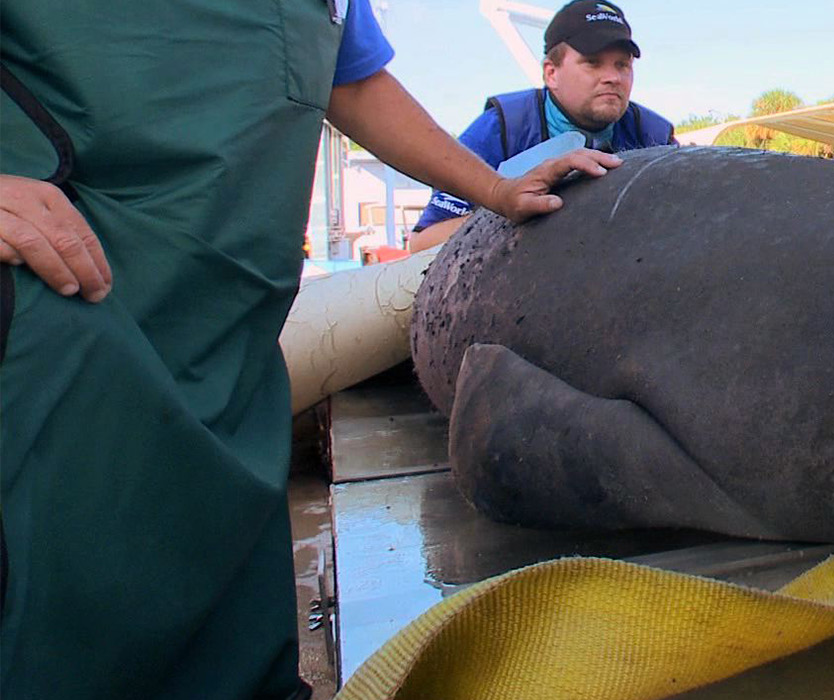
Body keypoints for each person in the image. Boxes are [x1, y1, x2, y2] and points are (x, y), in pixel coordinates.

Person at [0, 0, 619, 696]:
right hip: (50, 335)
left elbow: (350, 84)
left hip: (230, 372)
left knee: (223, 646)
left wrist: (498, 191)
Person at [407, 0, 676, 251]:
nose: (613, 78)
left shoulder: (656, 136)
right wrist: (512, 206)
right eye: (592, 63)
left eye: (622, 65)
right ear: (551, 73)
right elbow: (421, 243)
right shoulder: (502, 127)